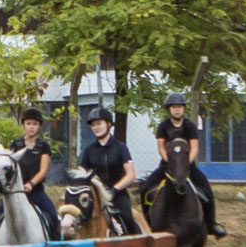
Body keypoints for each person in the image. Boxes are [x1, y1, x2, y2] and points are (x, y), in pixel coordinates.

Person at [139, 92, 228, 238]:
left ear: (183, 109)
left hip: (187, 166)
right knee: (146, 188)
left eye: (179, 107)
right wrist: (168, 161)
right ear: (169, 109)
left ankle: (211, 224)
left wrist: (186, 163)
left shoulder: (190, 126)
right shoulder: (163, 126)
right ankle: (148, 224)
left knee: (206, 189)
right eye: (174, 107)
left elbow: (194, 147)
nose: (177, 110)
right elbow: (161, 146)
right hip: (167, 165)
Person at [0, 107, 58, 244]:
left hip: (36, 192)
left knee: (53, 218)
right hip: (16, 192)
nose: (31, 127)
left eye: (35, 124)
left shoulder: (43, 146)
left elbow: (43, 171)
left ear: (39, 126)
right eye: (29, 124)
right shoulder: (16, 144)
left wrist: (31, 184)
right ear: (24, 125)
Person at [76, 107, 138, 235]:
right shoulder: (89, 150)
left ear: (108, 124)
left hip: (118, 195)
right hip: (95, 197)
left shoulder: (120, 147)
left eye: (99, 123)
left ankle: (138, 243)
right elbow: (82, 174)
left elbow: (131, 174)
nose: (96, 127)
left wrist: (115, 189)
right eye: (93, 125)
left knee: (128, 219)